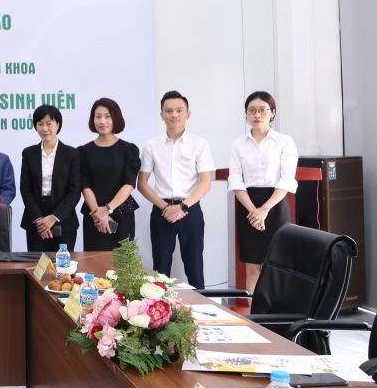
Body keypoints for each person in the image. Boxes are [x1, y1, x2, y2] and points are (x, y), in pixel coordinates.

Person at [138, 90, 215, 288]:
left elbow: (205, 182)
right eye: (169, 111)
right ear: (161, 114)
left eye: (179, 110)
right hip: (161, 211)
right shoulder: (151, 146)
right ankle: (159, 306)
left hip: (190, 210)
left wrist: (182, 207)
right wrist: (165, 207)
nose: (174, 115)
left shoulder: (199, 144)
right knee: (161, 269)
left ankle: (200, 306)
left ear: (188, 113)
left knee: (194, 266)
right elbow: (142, 183)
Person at [227, 91, 299, 292]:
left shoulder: (284, 141)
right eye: (252, 110)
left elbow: (287, 179)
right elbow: (235, 179)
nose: (257, 115)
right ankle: (254, 311)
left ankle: (275, 311)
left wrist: (264, 210)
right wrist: (253, 211)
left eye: (262, 110)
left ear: (272, 113)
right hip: (248, 206)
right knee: (252, 269)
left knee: (276, 268)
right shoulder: (238, 144)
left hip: (275, 205)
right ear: (246, 114)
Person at [78, 98, 141, 251]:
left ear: (116, 118)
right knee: (94, 262)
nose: (102, 121)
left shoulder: (129, 149)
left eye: (107, 116)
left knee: (124, 262)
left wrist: (107, 209)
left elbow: (129, 183)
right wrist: (98, 213)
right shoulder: (83, 151)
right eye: (98, 116)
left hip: (122, 214)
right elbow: (85, 185)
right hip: (94, 216)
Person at [20, 105, 81, 252]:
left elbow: (74, 191)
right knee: (38, 264)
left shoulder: (72, 154)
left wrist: (54, 217)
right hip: (36, 222)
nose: (45, 128)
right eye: (40, 124)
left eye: (49, 123)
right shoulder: (29, 153)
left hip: (64, 220)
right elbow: (25, 189)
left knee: (63, 264)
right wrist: (39, 220)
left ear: (57, 124)